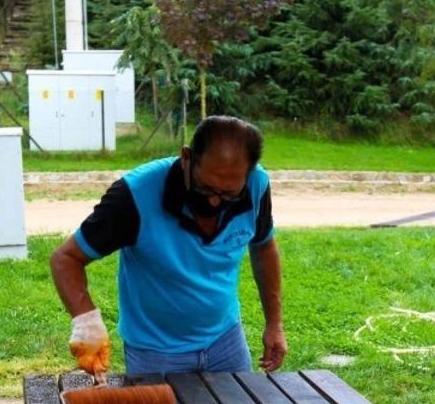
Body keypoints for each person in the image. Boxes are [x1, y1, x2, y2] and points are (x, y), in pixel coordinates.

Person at [50, 115, 286, 380]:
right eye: (205, 188)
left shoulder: (256, 185)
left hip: (226, 341)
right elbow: (66, 258)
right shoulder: (135, 195)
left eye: (229, 194)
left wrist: (274, 324)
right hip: (155, 353)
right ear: (187, 158)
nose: (214, 203)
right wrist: (86, 324)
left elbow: (264, 247)